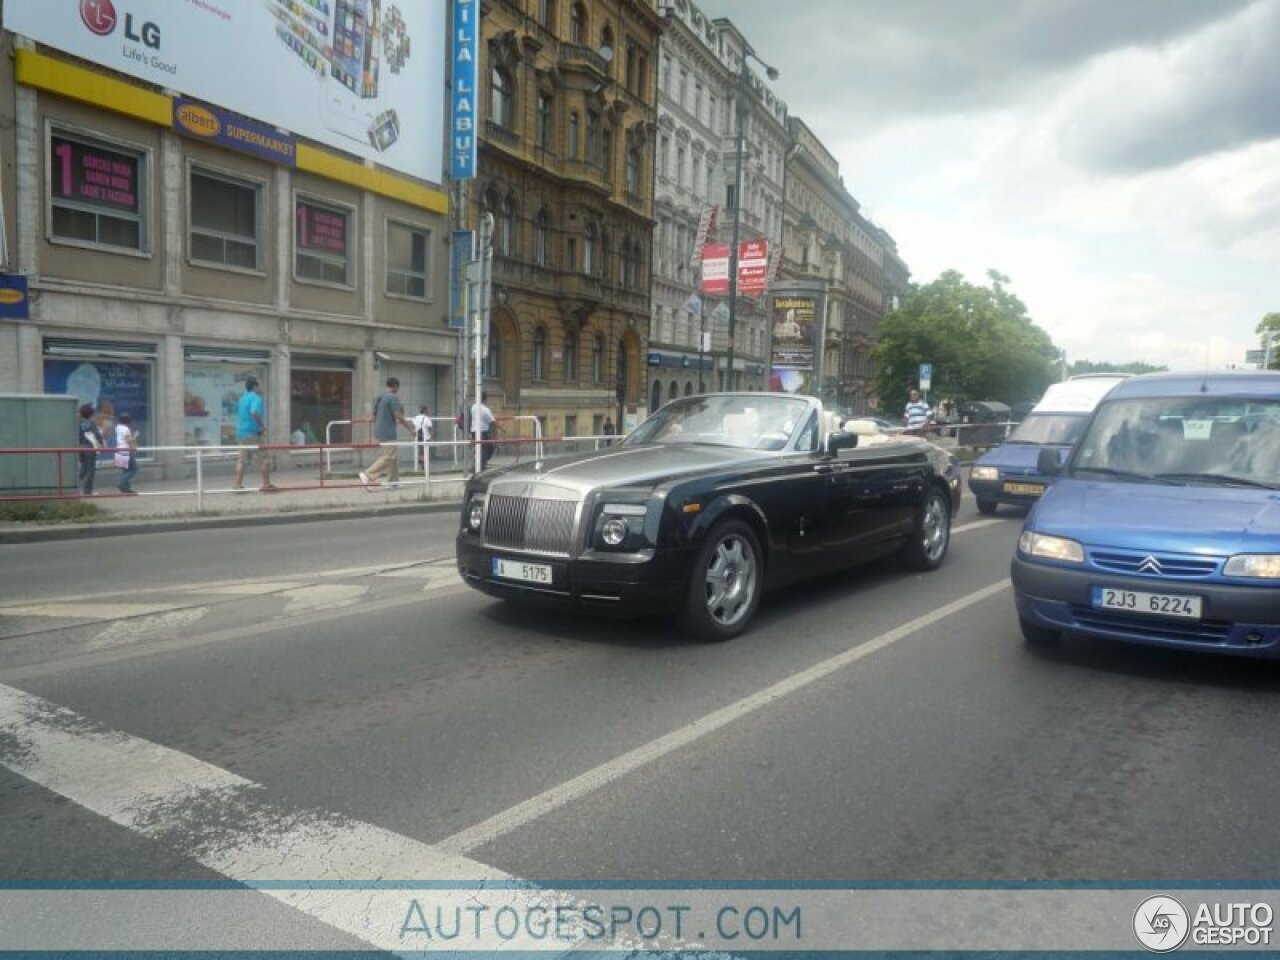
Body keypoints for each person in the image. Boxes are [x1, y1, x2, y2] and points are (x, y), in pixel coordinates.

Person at [360, 377, 413, 488]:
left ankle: (393, 482)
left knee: (393, 456)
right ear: (394, 386)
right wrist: (410, 428)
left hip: (379, 430)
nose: (398, 389)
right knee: (389, 456)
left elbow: (374, 415)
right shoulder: (393, 397)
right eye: (398, 387)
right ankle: (368, 474)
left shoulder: (380, 397)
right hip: (388, 431)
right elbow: (398, 415)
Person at [232, 376, 276, 492]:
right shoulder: (256, 398)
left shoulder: (242, 398)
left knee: (242, 459)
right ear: (255, 386)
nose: (260, 387)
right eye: (259, 385)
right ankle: (266, 484)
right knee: (264, 458)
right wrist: (262, 425)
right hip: (253, 433)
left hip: (241, 433)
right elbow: (254, 412)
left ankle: (237, 484)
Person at [77, 403, 104, 496]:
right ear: (91, 414)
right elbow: (97, 435)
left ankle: (72, 483)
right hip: (90, 449)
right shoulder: (91, 423)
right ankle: (87, 491)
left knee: (84, 468)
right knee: (90, 470)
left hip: (80, 448)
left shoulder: (79, 423)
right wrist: (101, 444)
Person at [470, 392, 498, 470]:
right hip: (482, 432)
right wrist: (501, 429)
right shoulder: (485, 409)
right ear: (485, 399)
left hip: (474, 431)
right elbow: (493, 421)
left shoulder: (473, 407)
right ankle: (481, 466)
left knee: (480, 449)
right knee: (487, 449)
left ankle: (478, 464)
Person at [113, 413, 139, 495]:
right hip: (126, 450)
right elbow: (128, 441)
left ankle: (125, 489)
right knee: (134, 469)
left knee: (125, 470)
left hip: (118, 450)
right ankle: (121, 484)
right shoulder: (126, 429)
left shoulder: (118, 427)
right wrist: (135, 436)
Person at [411, 404, 433, 470]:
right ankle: (424, 463)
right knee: (425, 451)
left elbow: (413, 426)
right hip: (425, 436)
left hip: (418, 436)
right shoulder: (426, 418)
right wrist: (430, 435)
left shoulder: (416, 417)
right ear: (425, 410)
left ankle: (421, 461)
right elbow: (429, 427)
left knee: (420, 451)